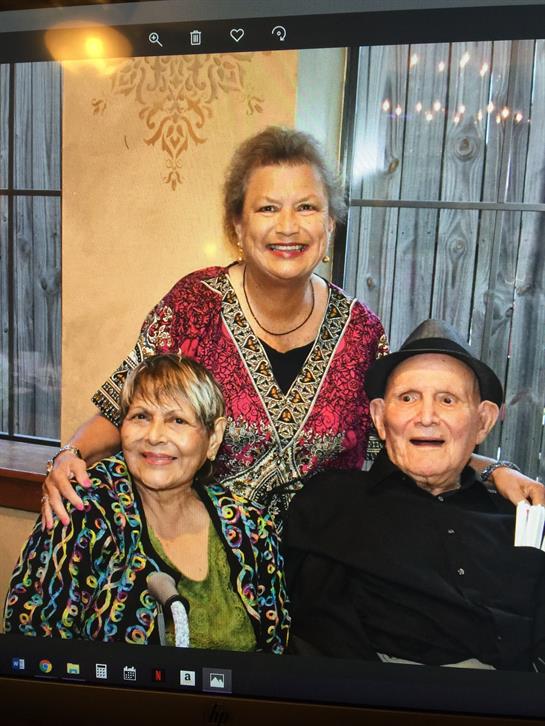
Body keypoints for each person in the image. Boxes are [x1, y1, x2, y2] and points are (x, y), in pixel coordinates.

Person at [41, 126, 543, 531]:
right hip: (202, 564)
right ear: (238, 227)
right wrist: (69, 454)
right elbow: (124, 412)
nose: (287, 226)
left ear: (329, 225)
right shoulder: (193, 306)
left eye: (306, 207)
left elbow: (408, 440)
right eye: (267, 208)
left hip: (325, 572)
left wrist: (495, 471)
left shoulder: (362, 332)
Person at [283, 320, 545, 670]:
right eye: (408, 398)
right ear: (379, 417)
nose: (426, 417)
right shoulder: (331, 502)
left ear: (483, 422)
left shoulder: (519, 518)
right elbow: (318, 632)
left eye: (447, 400)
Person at [4, 355, 289, 653]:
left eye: (177, 420)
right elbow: (32, 649)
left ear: (214, 438)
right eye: (140, 416)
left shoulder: (252, 528)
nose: (154, 436)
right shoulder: (82, 511)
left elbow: (275, 654)